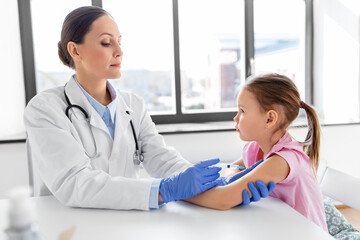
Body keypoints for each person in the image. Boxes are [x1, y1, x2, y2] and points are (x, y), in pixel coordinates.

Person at [24, 6, 273, 210]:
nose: (119, 51)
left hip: (126, 223)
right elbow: (75, 183)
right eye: (106, 43)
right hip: (66, 227)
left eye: (119, 42)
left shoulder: (133, 106)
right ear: (74, 50)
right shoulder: (45, 109)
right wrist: (165, 189)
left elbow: (160, 159)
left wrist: (214, 183)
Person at [189, 73, 327, 231]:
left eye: (242, 111)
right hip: (279, 227)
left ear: (269, 119)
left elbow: (223, 199)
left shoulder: (283, 160)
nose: (235, 118)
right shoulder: (255, 149)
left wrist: (183, 193)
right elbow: (230, 170)